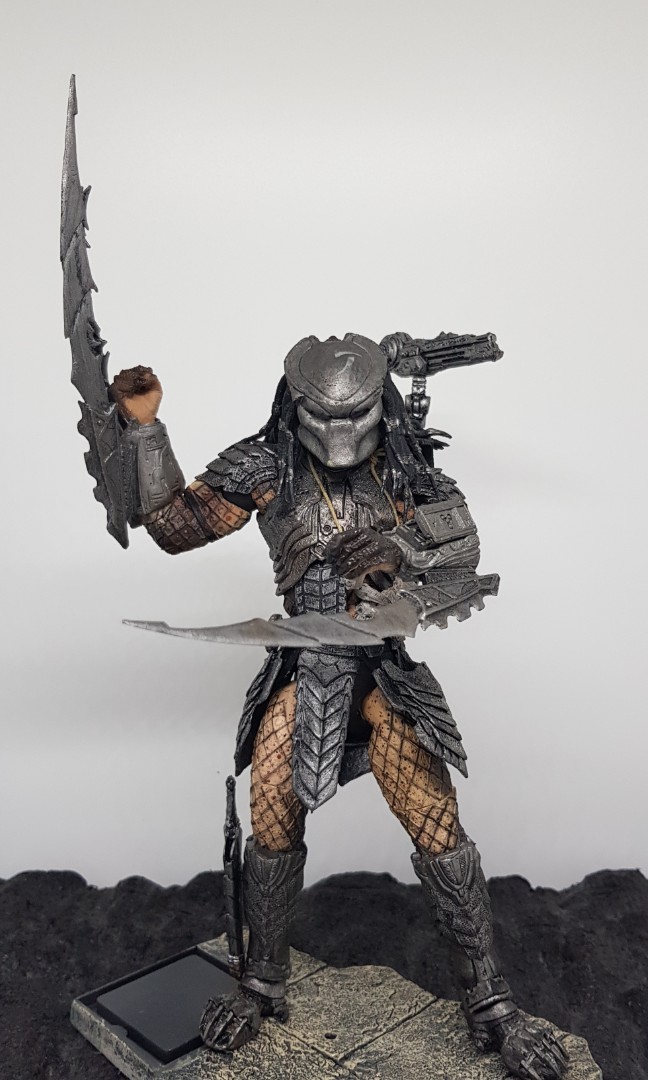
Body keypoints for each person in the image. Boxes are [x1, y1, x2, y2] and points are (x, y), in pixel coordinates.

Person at [109, 333, 567, 1079]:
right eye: (324, 417)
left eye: (357, 416)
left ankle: (491, 1005)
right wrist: (145, 427)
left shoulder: (406, 463)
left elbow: (464, 555)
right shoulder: (267, 467)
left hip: (384, 674)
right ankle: (261, 984)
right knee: (270, 807)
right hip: (303, 667)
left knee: (435, 822)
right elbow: (173, 528)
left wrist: (401, 554)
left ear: (380, 405)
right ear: (297, 408)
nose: (342, 433)